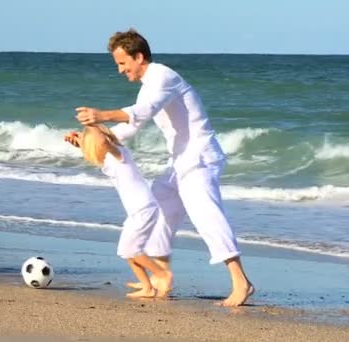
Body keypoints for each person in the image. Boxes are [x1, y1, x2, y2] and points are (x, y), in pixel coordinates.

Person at [75, 29, 254, 307]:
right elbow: (131, 126)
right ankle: (162, 275)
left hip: (199, 158)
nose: (120, 71)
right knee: (158, 208)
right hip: (179, 160)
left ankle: (241, 282)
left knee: (206, 216)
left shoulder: (162, 76)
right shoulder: (149, 83)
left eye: (123, 64)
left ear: (139, 57)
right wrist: (91, 140)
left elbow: (143, 110)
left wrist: (103, 115)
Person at [64, 125, 173, 298]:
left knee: (132, 250)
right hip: (137, 210)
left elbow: (104, 144)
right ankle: (147, 287)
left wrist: (92, 126)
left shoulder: (119, 154)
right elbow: (99, 149)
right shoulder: (109, 158)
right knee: (126, 250)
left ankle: (162, 274)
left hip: (143, 208)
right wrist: (81, 141)